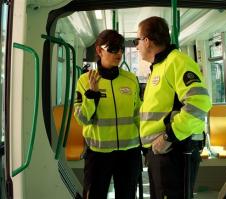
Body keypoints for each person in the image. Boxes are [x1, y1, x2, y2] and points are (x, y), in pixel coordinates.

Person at [134, 16, 212, 199]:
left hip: (174, 149)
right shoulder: (160, 66)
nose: (136, 46)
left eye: (136, 40)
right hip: (160, 151)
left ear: (147, 41)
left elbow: (198, 104)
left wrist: (169, 136)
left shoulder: (177, 62)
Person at [74, 29, 141, 199]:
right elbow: (82, 119)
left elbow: (138, 114)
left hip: (129, 152)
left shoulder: (131, 79)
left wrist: (147, 143)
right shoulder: (85, 81)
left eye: (120, 49)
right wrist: (92, 95)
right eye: (112, 49)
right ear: (99, 50)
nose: (118, 53)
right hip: (98, 153)